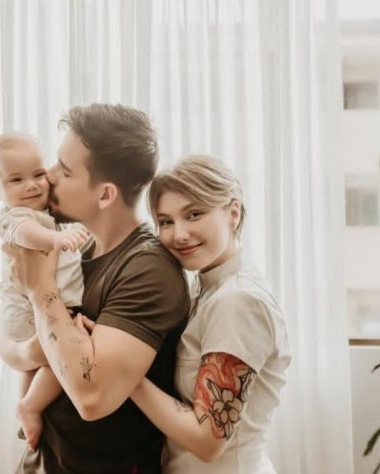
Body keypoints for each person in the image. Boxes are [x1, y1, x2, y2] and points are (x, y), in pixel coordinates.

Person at [0, 104, 190, 473]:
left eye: (64, 170)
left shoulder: (149, 271)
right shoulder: (74, 246)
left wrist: (40, 292)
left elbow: (92, 397)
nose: (48, 175)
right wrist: (30, 350)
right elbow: (6, 337)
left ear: (105, 195)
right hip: (44, 459)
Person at [127, 155, 291, 473]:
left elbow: (207, 440)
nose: (179, 234)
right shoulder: (203, 289)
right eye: (166, 221)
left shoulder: (237, 301)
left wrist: (123, 375)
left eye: (194, 214)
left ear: (233, 213)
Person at [0, 133, 89, 449]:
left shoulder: (48, 215)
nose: (31, 185)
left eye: (38, 174)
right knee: (57, 359)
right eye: (16, 180)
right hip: (26, 310)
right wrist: (54, 239)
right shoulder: (17, 217)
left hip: (31, 308)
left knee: (34, 365)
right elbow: (24, 233)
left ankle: (25, 408)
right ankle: (30, 406)